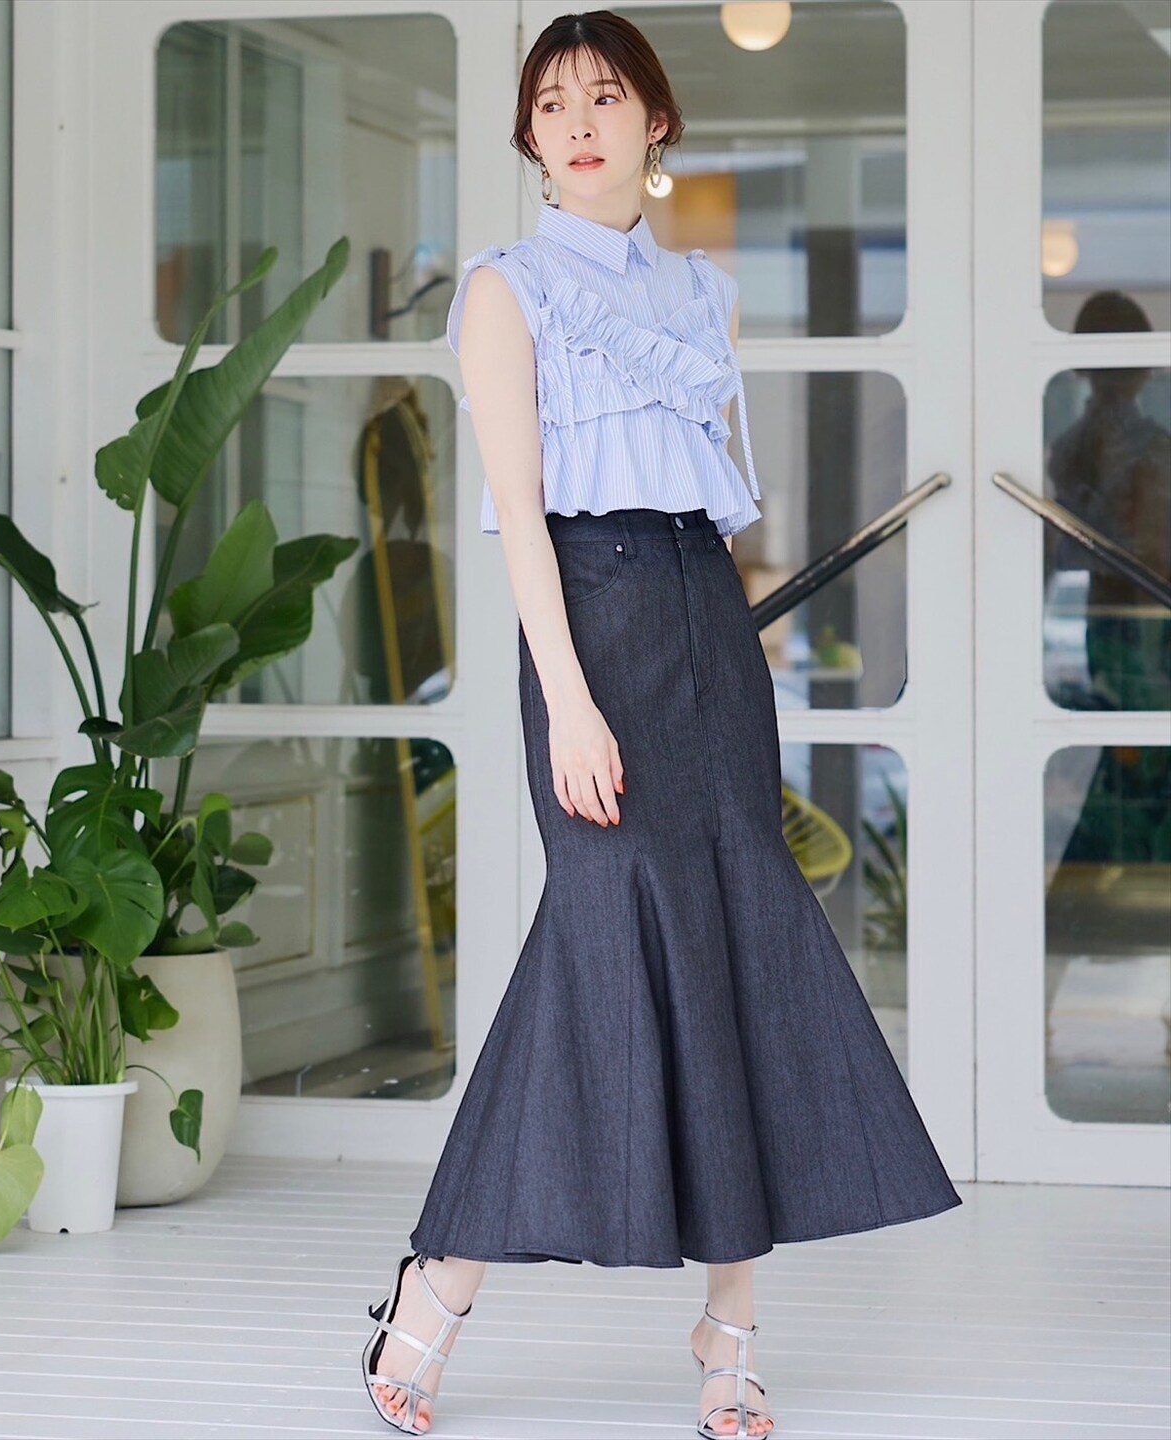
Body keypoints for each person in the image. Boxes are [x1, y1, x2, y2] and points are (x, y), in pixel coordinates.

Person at [361, 12, 962, 1437]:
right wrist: (570, 704)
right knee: (599, 941)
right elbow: (520, 523)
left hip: (705, 626)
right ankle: (439, 1284)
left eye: (606, 95)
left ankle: (730, 1324)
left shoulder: (706, 295)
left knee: (742, 945)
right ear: (531, 140)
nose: (579, 122)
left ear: (656, 123)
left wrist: (734, 647)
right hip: (588, 627)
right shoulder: (504, 292)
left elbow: (711, 512)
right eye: (553, 103)